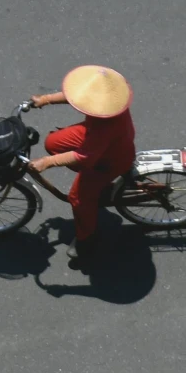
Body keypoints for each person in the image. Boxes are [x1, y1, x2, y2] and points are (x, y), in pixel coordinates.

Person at [26, 65, 136, 265]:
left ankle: (87, 239)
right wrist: (45, 100)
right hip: (96, 135)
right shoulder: (112, 96)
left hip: (110, 157)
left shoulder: (106, 125)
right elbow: (78, 96)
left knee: (78, 198)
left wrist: (47, 163)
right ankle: (94, 186)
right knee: (53, 143)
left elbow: (84, 157)